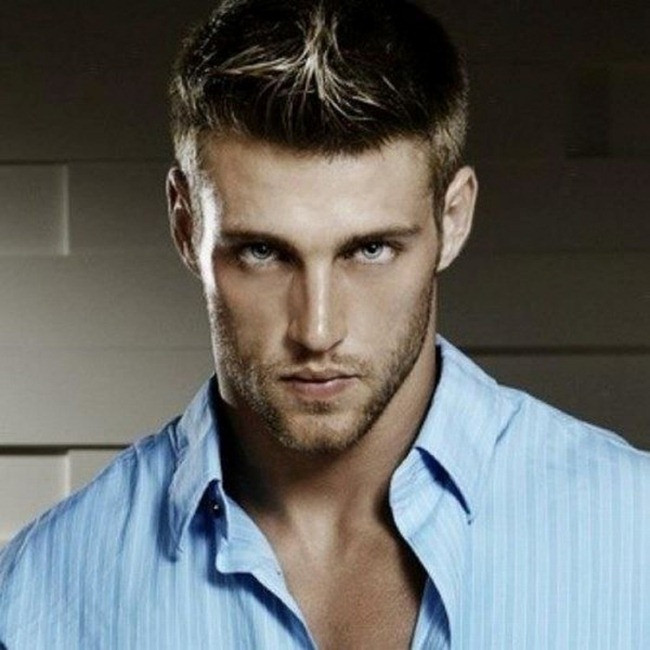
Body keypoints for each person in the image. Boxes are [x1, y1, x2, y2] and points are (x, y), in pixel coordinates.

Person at [1, 0, 648, 647]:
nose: (316, 330)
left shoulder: (632, 535)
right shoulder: (36, 596)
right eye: (263, 252)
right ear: (185, 223)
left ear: (453, 220)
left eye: (371, 250)